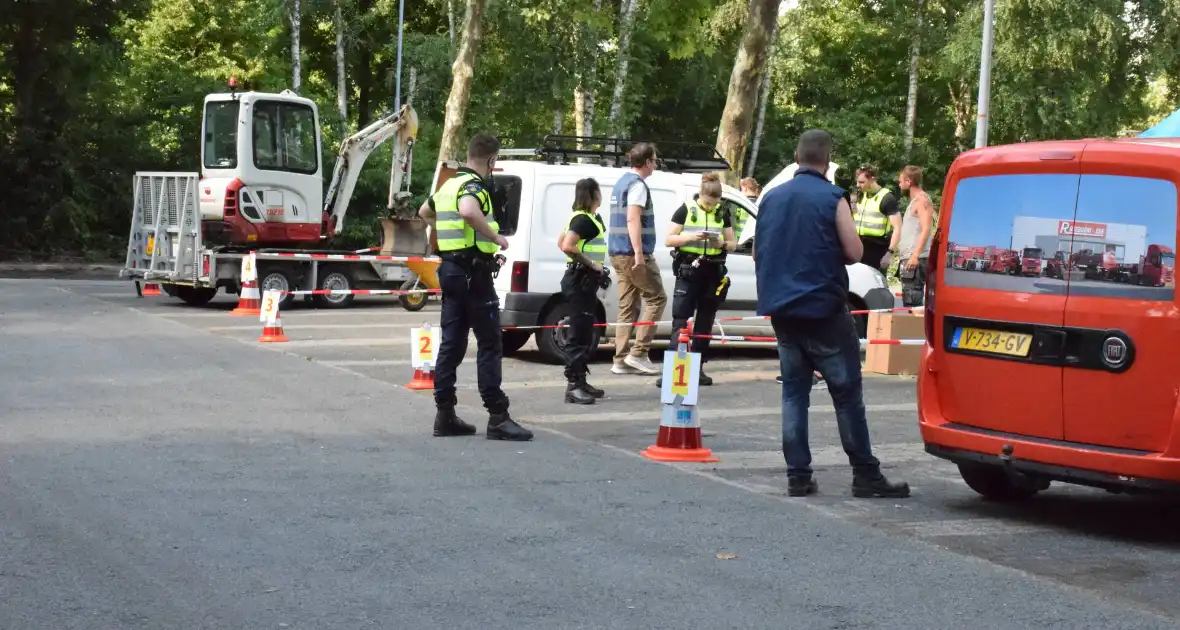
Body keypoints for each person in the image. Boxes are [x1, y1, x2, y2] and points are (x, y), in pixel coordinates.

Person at [753, 128, 910, 499]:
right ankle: (865, 475)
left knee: (794, 394)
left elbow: (760, 251)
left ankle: (798, 476)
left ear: (796, 156)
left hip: (783, 311)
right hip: (824, 308)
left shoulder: (771, 198)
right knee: (846, 394)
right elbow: (855, 252)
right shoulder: (833, 197)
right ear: (826, 160)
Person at [418, 133, 533, 442]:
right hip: (474, 273)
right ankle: (498, 416)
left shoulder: (447, 186)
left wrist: (443, 232)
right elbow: (469, 211)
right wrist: (496, 238)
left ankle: (445, 415)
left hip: (451, 271)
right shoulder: (474, 187)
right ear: (492, 160)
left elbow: (424, 212)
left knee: (452, 344)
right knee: (490, 342)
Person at [657, 173, 736, 387]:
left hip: (712, 271)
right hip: (689, 270)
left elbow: (733, 243)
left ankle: (697, 369)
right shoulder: (686, 209)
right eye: (707, 203)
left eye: (714, 203)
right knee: (681, 321)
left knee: (705, 322)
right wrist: (691, 237)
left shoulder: (723, 213)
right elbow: (669, 239)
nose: (711, 207)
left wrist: (720, 242)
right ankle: (672, 371)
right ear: (700, 195)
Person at [607, 142, 667, 376]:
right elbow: (633, 219)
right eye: (654, 160)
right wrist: (639, 254)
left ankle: (620, 359)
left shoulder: (621, 182)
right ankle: (639, 353)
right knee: (656, 299)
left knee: (628, 306)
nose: (655, 165)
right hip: (632, 253)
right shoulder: (638, 186)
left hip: (617, 252)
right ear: (647, 162)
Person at [557, 178, 610, 405]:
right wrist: (591, 264)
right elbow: (568, 246)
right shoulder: (583, 220)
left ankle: (581, 379)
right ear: (593, 194)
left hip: (583, 281)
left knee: (585, 331)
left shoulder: (583, 218)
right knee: (578, 333)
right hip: (580, 280)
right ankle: (573, 386)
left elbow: (561, 242)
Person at [896, 165, 934, 307]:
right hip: (910, 257)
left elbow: (926, 229)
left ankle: (914, 330)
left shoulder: (921, 200)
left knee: (913, 304)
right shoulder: (915, 201)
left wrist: (915, 255)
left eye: (901, 181)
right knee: (909, 301)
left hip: (915, 259)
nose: (899, 184)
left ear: (909, 181)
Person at [851, 164, 902, 271]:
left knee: (876, 285)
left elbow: (898, 228)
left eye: (861, 182)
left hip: (877, 250)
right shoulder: (860, 195)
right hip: (858, 248)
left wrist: (890, 253)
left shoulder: (887, 198)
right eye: (857, 181)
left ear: (872, 179)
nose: (858, 185)